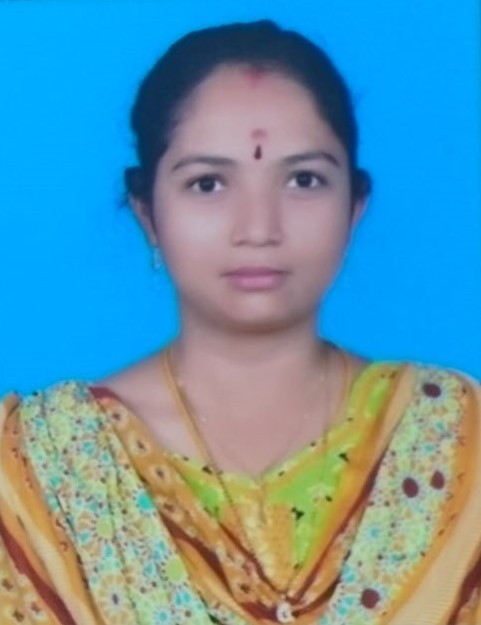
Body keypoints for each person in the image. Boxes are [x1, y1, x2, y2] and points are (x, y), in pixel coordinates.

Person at [0, 18, 480, 625]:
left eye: (303, 180)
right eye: (208, 183)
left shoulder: (459, 441)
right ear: (148, 212)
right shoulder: (41, 467)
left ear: (355, 206)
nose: (259, 228)